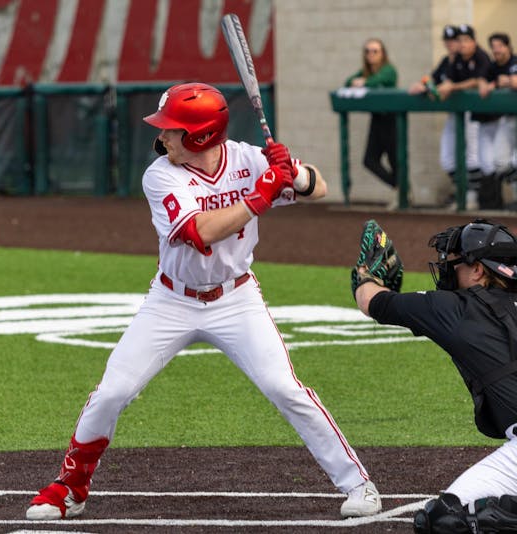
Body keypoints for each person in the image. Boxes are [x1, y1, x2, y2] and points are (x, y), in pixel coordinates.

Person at [25, 82, 382, 521]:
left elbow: (319, 188)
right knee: (113, 390)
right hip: (171, 300)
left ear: (200, 136)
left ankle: (358, 483)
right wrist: (261, 195)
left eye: (172, 130)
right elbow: (201, 233)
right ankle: (70, 489)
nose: (162, 138)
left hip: (236, 298)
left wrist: (292, 172)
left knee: (284, 387)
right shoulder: (160, 175)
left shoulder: (250, 159)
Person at [353, 219, 517, 532]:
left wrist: (366, 275)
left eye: (457, 264)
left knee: (446, 522)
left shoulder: (454, 308)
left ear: (479, 270)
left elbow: (371, 301)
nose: (449, 270)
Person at [436, 24, 491, 210]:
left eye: (466, 40)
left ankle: (472, 197)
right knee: (447, 159)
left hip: (477, 113)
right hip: (457, 112)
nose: (462, 44)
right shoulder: (455, 59)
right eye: (459, 40)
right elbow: (447, 80)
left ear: (474, 41)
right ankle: (463, 191)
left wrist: (452, 87)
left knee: (473, 157)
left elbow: (478, 80)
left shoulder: (481, 56)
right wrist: (440, 87)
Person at [345, 38, 399, 207]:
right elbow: (348, 82)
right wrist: (360, 81)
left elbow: (376, 80)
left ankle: (402, 193)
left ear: (382, 54)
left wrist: (364, 82)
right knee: (369, 160)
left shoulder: (388, 70)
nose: (371, 55)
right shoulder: (365, 71)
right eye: (368, 51)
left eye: (375, 51)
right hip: (377, 119)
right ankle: (399, 187)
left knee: (395, 159)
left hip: (392, 118)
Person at [477, 32, 517, 209]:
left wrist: (504, 81)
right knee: (500, 162)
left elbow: (515, 82)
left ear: (508, 47)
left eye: (500, 46)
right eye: (493, 47)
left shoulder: (514, 61)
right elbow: (481, 80)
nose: (496, 50)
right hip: (508, 118)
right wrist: (489, 84)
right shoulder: (492, 66)